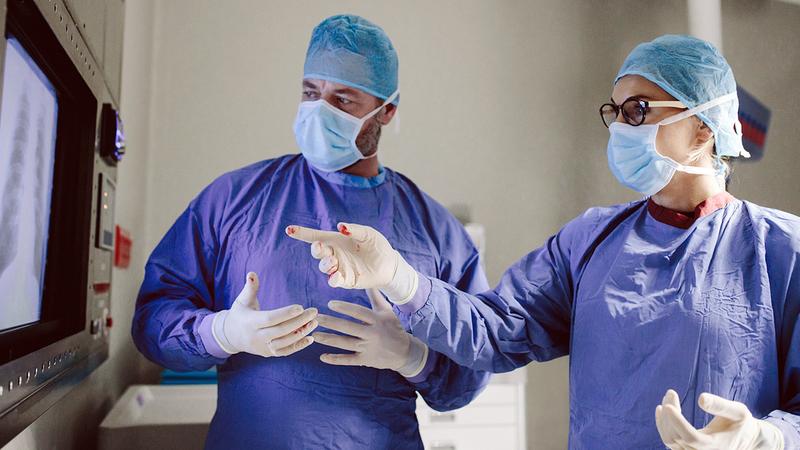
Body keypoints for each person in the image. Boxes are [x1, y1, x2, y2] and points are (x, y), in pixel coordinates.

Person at [287, 35, 800, 449]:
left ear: (703, 128)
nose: (620, 128)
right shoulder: (591, 241)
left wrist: (765, 437)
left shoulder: (780, 250)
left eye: (639, 111)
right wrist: (396, 276)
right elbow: (493, 332)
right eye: (615, 112)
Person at [131, 14, 491, 449]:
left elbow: (471, 371)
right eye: (310, 93)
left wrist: (410, 356)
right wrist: (223, 332)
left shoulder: (436, 232)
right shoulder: (233, 200)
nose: (320, 110)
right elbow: (153, 320)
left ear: (387, 111)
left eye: (343, 100)